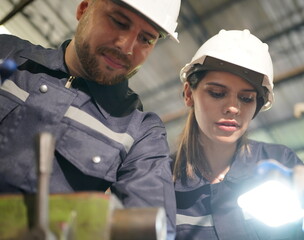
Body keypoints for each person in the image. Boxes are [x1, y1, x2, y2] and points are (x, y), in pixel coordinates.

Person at [0, 0, 181, 239]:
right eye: (119, 22)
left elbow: (154, 227)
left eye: (146, 39)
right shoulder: (7, 54)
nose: (126, 47)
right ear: (84, 9)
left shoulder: (139, 131)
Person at [173, 29, 304, 239]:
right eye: (217, 93)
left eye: (247, 98)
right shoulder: (163, 180)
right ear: (189, 94)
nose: (233, 108)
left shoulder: (279, 162)